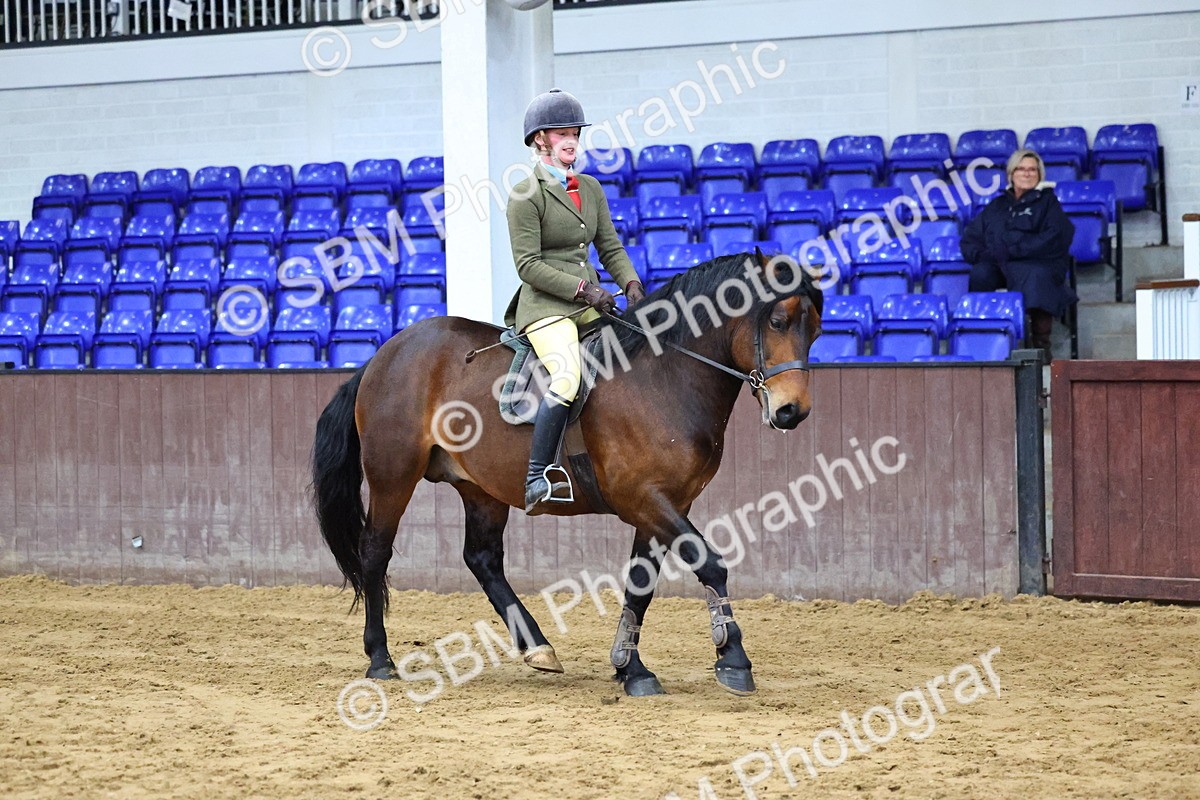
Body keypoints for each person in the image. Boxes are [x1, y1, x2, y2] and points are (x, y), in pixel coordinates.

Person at [503, 88, 646, 515]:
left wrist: (632, 283)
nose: (570, 140)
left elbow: (611, 247)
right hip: (547, 309)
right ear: (539, 141)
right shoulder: (525, 194)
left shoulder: (590, 187)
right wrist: (584, 290)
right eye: (560, 133)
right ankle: (536, 477)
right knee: (566, 377)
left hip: (592, 305)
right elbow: (527, 266)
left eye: (574, 133)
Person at [960, 148, 1077, 353]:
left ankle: (1040, 348)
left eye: (1032, 170)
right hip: (1001, 264)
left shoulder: (1048, 203)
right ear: (1011, 174)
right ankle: (985, 340)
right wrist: (985, 256)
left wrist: (1016, 250)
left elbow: (1056, 236)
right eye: (1021, 169)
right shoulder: (997, 205)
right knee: (981, 273)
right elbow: (970, 239)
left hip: (1036, 263)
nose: (1027, 173)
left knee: (1035, 276)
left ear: (1039, 175)